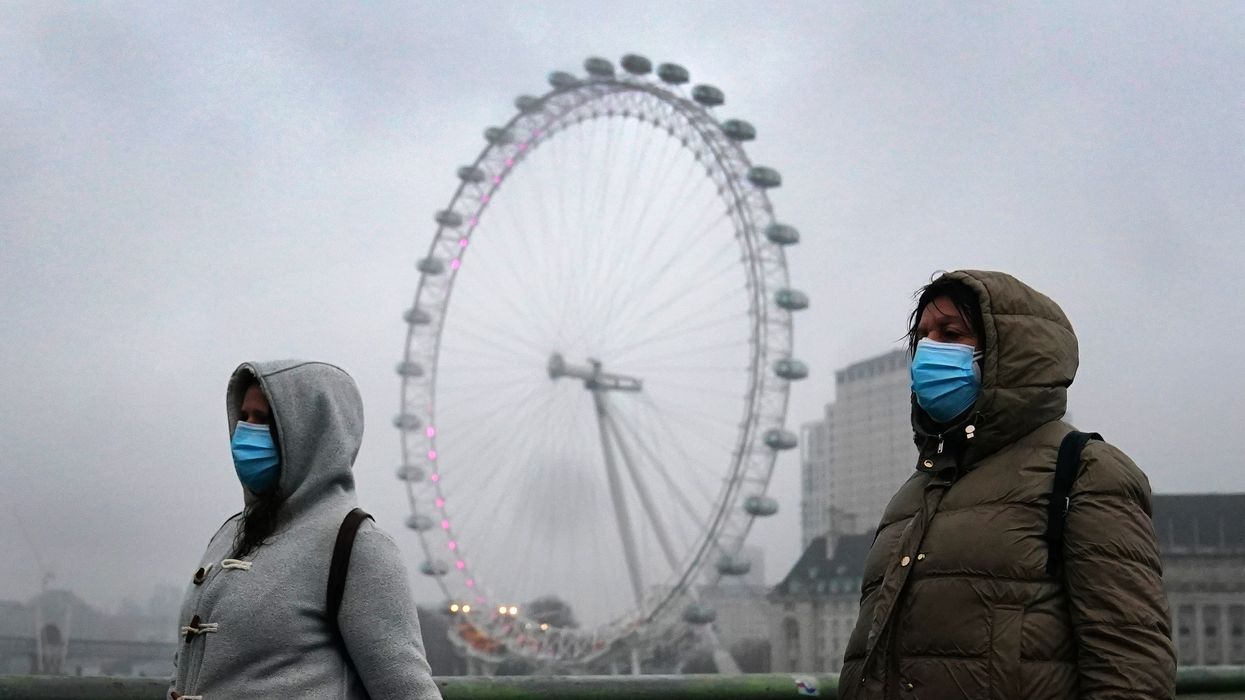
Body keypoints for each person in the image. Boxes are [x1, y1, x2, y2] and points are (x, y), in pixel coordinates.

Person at [839, 271, 1175, 699]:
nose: (929, 350)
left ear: (1005, 352)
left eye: (950, 333)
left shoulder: (1086, 472)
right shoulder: (913, 493)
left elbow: (1130, 666)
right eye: (922, 337)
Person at [170, 360, 441, 699]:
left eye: (265, 420)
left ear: (314, 432)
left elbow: (406, 690)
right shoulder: (229, 535)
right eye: (244, 417)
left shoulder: (358, 545)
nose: (246, 433)